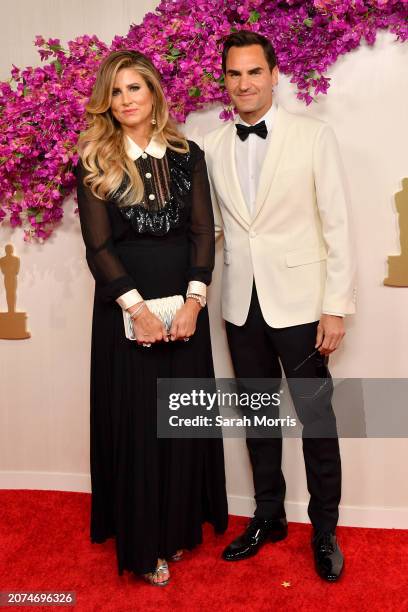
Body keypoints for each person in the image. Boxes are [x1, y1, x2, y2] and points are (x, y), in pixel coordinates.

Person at [203, 31, 356, 582]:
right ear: (225, 79)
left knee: (317, 419)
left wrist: (335, 306)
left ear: (273, 74)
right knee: (259, 420)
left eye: (253, 72)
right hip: (240, 306)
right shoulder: (212, 145)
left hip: (303, 306)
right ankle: (268, 516)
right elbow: (215, 230)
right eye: (233, 74)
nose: (243, 84)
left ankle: (325, 528)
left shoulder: (314, 136)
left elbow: (337, 223)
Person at [76, 49, 228, 586]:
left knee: (180, 422)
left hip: (185, 307)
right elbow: (98, 248)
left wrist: (194, 302)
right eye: (115, 92)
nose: (124, 101)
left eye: (134, 89)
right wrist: (137, 311)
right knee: (140, 425)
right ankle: (145, 546)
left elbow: (203, 232)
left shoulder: (189, 153)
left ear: (154, 93)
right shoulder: (95, 157)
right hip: (126, 312)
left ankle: (178, 527)